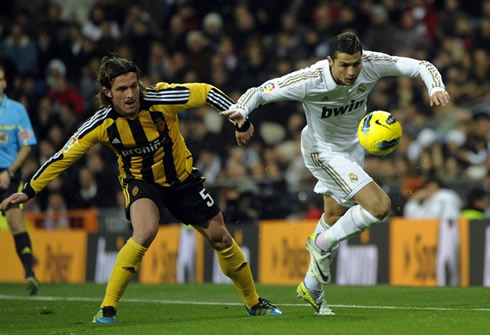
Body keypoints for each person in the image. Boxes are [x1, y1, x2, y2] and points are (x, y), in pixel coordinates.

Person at [0, 55, 282, 323]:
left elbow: (206, 92)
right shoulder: (102, 123)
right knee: (145, 231)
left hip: (182, 179)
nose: (130, 94)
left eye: (133, 85)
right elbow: (64, 156)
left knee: (220, 238)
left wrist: (240, 117)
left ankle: (253, 302)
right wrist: (30, 190)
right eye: (122, 89)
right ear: (108, 92)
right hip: (140, 182)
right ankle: (107, 308)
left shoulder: (161, 98)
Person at [221, 32, 450, 315]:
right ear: (330, 61)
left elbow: (420, 66)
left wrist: (434, 87)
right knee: (380, 207)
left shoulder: (371, 64)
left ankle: (312, 287)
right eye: (344, 65)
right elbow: (259, 91)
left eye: (355, 64)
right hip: (322, 151)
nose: (352, 71)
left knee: (333, 216)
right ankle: (321, 243)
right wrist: (242, 111)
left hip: (354, 148)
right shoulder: (310, 80)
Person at [0, 64, 39, 295]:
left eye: (2, 79)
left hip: (9, 175)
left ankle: (29, 274)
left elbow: (27, 145)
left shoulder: (17, 110)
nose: (1, 83)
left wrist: (9, 173)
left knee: (15, 223)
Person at [403, 177, 462, 286]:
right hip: (446, 229)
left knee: (446, 260)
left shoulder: (444, 195)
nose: (428, 190)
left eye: (432, 187)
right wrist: (415, 200)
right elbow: (413, 217)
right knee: (450, 261)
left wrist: (416, 200)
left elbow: (430, 215)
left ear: (438, 187)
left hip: (450, 226)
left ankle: (446, 284)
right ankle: (451, 284)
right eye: (427, 187)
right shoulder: (434, 200)